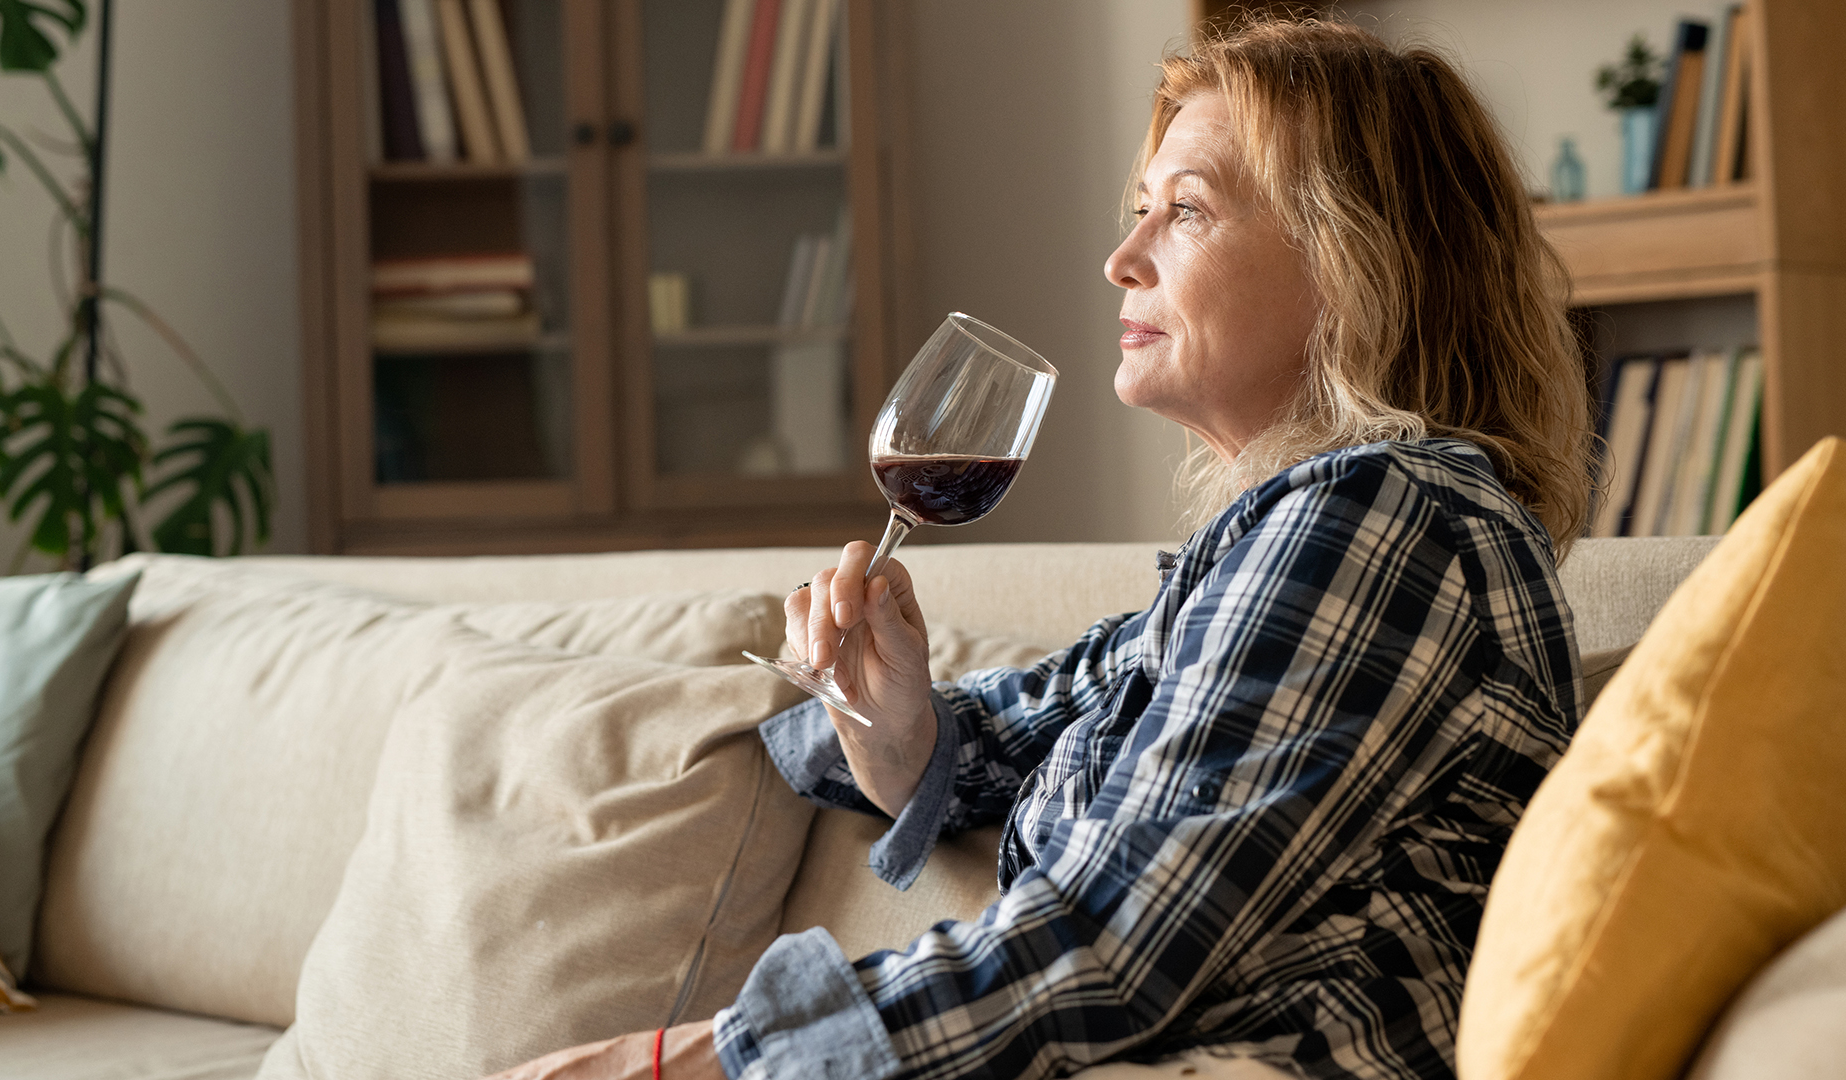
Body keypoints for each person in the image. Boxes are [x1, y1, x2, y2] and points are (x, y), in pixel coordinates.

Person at [491, 16, 1594, 1080]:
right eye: (1138, 209)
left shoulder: (1382, 522)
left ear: (1357, 258)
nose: (1122, 259)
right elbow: (1019, 732)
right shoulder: (1277, 543)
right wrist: (891, 723)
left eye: (1188, 213)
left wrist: (696, 1059)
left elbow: (1114, 942)